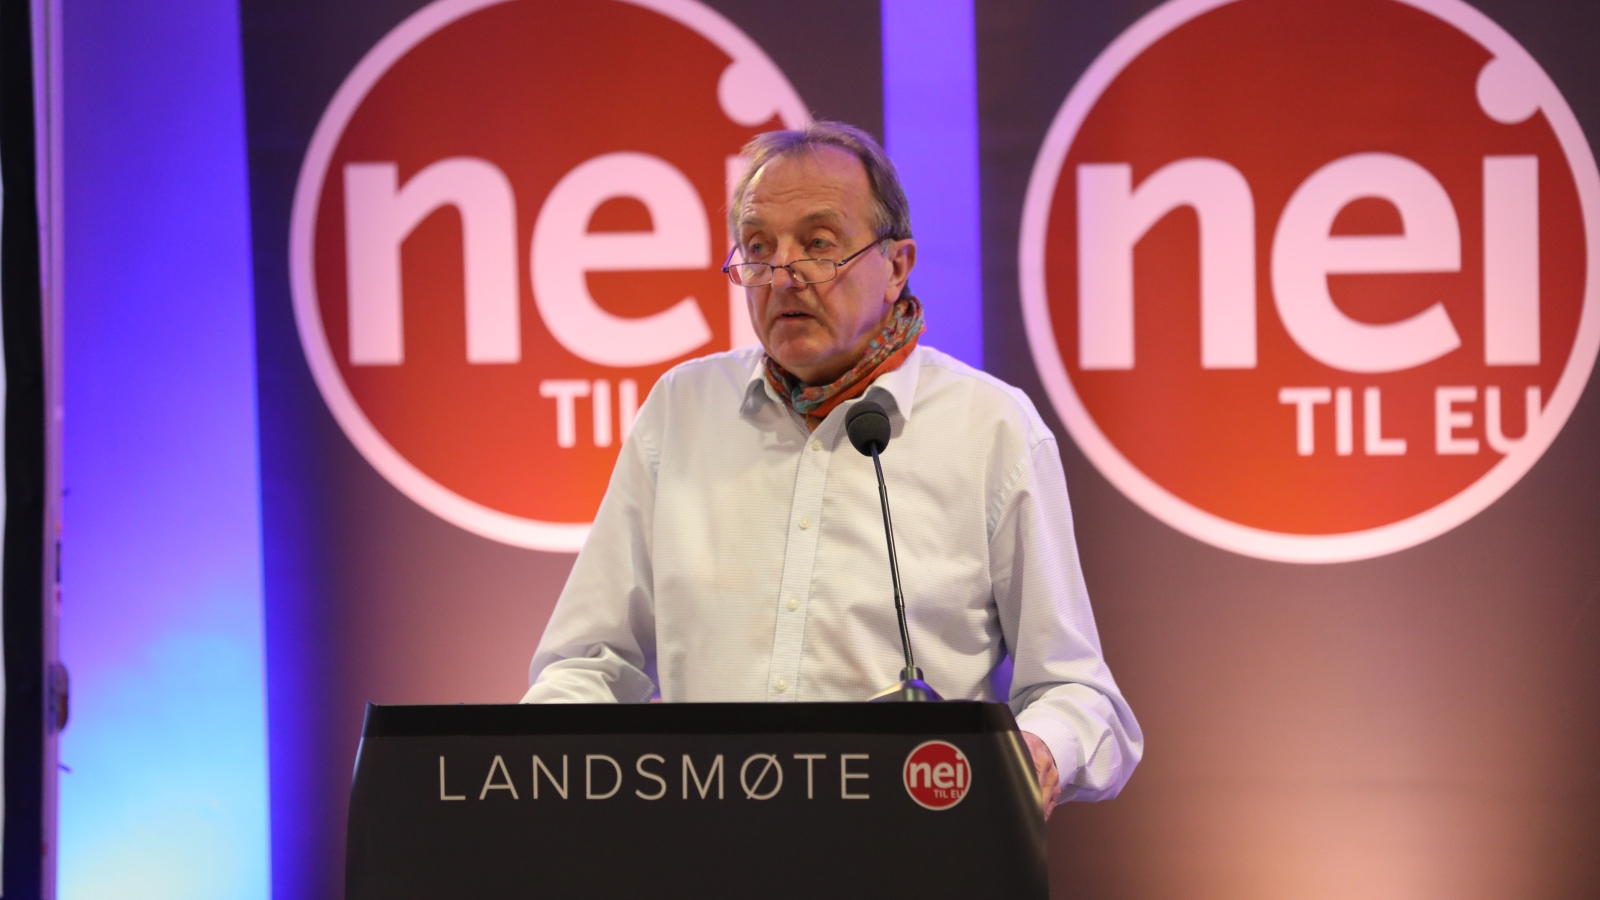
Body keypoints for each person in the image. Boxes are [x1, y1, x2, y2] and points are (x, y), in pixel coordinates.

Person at [522, 121, 1142, 814]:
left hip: (913, 843)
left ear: (897, 266)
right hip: (706, 848)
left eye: (818, 244)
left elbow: (1075, 692)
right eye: (759, 248)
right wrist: (534, 775)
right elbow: (588, 663)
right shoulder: (682, 412)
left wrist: (1037, 751)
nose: (783, 274)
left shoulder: (989, 427)